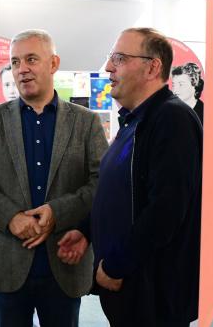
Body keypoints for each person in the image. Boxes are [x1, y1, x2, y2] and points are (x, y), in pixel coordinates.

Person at [58, 27, 202, 327]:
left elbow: (166, 210)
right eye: (111, 58)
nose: (109, 68)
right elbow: (123, 192)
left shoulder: (171, 119)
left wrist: (116, 265)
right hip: (131, 290)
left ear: (153, 67)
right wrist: (88, 230)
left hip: (152, 295)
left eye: (119, 59)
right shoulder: (137, 119)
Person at [0, 29, 107, 327]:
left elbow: (100, 183)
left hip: (64, 261)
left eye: (31, 59)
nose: (22, 69)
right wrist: (11, 218)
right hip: (8, 260)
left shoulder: (86, 123)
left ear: (54, 63)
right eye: (15, 62)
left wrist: (57, 212)